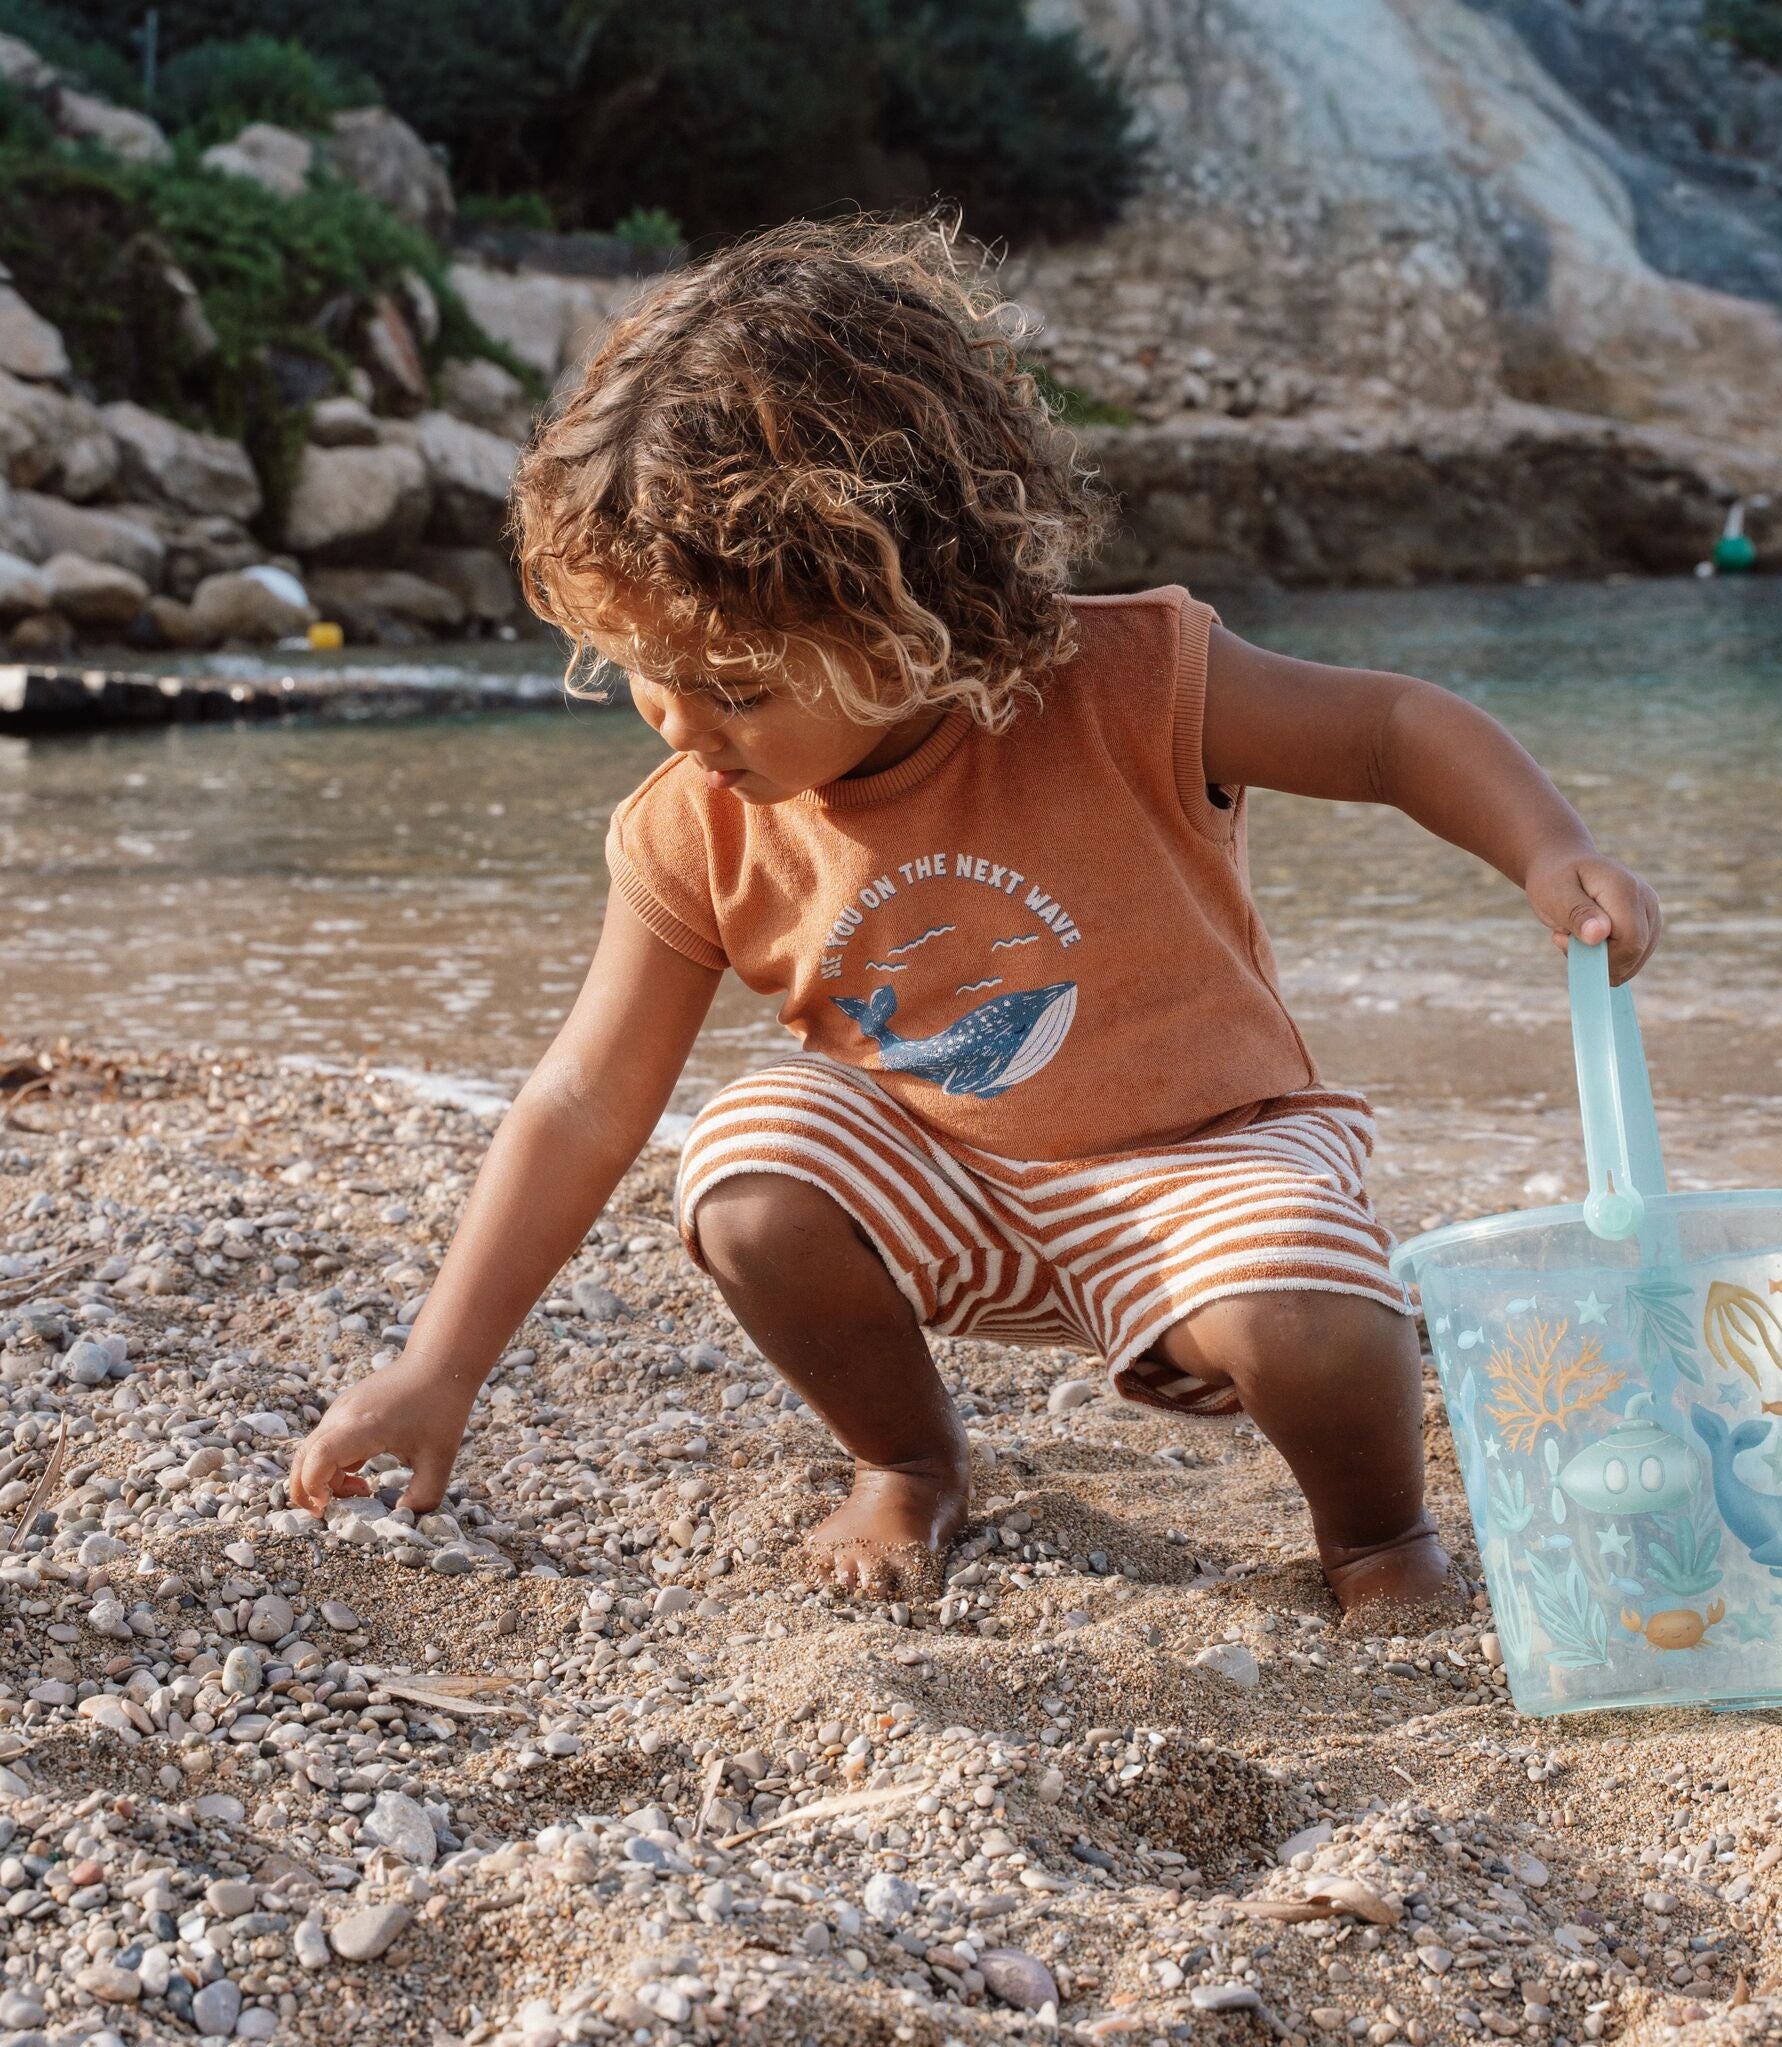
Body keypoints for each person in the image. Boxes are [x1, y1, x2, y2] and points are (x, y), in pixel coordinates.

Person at [289, 216, 1660, 1623]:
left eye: (737, 688)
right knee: (747, 1165)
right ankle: (908, 1459)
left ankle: (1378, 1540)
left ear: (910, 611)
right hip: (936, 1190)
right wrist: (438, 1367)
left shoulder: (1128, 682)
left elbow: (1386, 730)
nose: (681, 726)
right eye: (644, 671)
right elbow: (584, 1100)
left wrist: (1551, 851)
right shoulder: (695, 825)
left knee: (1304, 1311)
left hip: (1209, 1162)